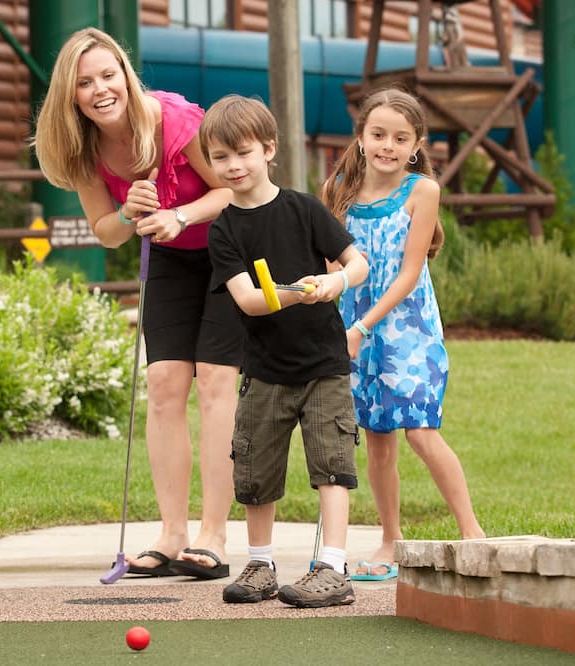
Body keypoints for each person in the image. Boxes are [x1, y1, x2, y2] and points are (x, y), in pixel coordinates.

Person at [33, 27, 241, 579]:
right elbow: (106, 232)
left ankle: (213, 537)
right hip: (169, 258)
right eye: (85, 82)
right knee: (164, 385)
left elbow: (231, 191)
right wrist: (129, 213)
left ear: (126, 76)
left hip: (228, 251)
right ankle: (172, 534)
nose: (101, 89)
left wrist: (180, 214)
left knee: (215, 383)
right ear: (71, 94)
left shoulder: (175, 122)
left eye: (109, 75)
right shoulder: (83, 147)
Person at [200, 94, 370, 606]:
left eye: (243, 152)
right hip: (265, 369)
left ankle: (333, 568)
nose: (233, 165)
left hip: (324, 365)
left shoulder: (304, 209)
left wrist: (335, 282)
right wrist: (299, 291)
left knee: (332, 464)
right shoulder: (223, 229)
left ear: (269, 149)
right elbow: (249, 301)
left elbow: (358, 263)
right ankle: (261, 565)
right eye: (220, 157)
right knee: (256, 471)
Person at [322, 88, 485, 581]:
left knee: (420, 429)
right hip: (353, 329)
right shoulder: (337, 191)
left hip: (407, 330)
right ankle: (390, 540)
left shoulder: (422, 192)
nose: (387, 146)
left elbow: (409, 273)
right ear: (361, 137)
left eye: (400, 138)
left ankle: (473, 534)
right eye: (378, 135)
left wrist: (362, 326)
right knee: (377, 441)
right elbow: (332, 267)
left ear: (416, 145)